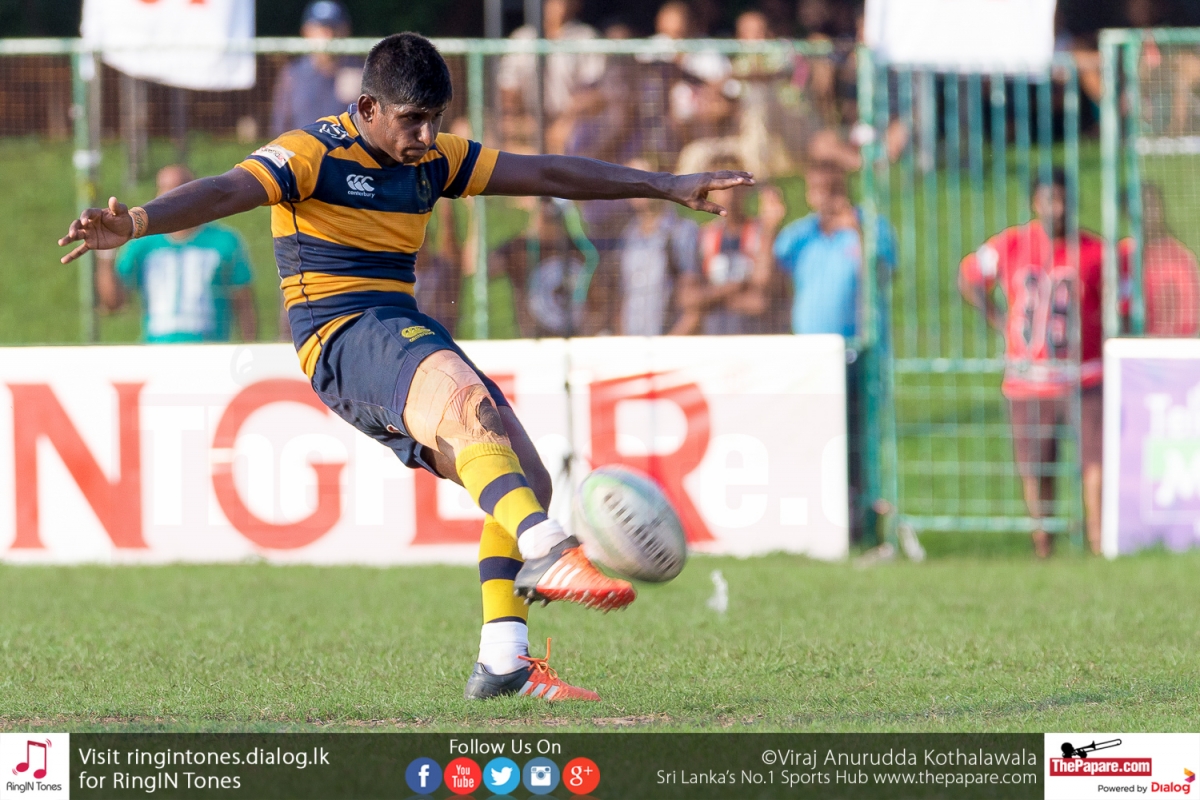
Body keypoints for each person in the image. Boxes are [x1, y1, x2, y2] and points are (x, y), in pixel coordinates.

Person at [59, 33, 752, 703]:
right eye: (412, 119)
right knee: (467, 408)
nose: (426, 135)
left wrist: (664, 184)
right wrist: (138, 222)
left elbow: (546, 172)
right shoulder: (310, 153)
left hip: (398, 324)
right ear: (367, 108)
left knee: (527, 477)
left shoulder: (435, 159)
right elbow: (221, 191)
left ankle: (504, 662)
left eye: (435, 120)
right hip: (339, 331)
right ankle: (548, 547)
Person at [958, 170, 1104, 557]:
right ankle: (1043, 544)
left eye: (1062, 199)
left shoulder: (1094, 250)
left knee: (1096, 462)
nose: (1056, 208)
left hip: (1083, 376)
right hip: (1028, 380)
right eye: (1048, 200)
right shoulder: (1011, 243)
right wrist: (997, 318)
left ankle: (1099, 542)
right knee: (1036, 468)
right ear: (1035, 203)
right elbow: (969, 274)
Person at [773, 161, 896, 541]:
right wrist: (768, 222)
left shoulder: (871, 228)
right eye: (816, 190)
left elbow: (883, 274)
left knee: (857, 440)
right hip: (811, 358)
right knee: (812, 438)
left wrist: (856, 231)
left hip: (857, 353)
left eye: (831, 189)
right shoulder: (801, 235)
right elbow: (769, 277)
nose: (823, 198)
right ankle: (815, 519)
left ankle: (861, 522)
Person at [94, 164, 257, 343]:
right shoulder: (143, 244)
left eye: (180, 188)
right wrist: (106, 254)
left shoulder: (224, 241)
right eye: (165, 188)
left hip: (210, 350)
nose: (171, 196)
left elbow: (243, 302)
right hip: (157, 351)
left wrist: (250, 349)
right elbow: (113, 303)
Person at [680, 158, 787, 335]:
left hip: (756, 338)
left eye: (733, 186)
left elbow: (759, 301)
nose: (728, 194)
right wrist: (736, 287)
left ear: (745, 188)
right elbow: (689, 299)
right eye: (720, 187)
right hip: (715, 340)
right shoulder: (703, 237)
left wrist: (710, 299)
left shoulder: (764, 232)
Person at [495, 0, 605, 154]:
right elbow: (508, 88)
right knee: (480, 132)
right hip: (529, 117)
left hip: (569, 119)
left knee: (563, 138)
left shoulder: (586, 37)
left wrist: (564, 121)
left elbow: (591, 93)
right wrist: (522, 118)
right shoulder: (523, 37)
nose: (554, 5)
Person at [614, 158, 702, 336]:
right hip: (633, 344)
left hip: (667, 342)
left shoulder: (682, 231)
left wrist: (669, 344)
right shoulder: (628, 235)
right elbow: (623, 297)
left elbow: (693, 304)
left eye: (642, 179)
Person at [270, 1, 363, 137]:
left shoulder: (361, 73)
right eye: (321, 28)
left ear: (346, 30)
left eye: (334, 27)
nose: (329, 35)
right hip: (301, 148)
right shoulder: (292, 75)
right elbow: (280, 127)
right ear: (306, 31)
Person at [1120, 184, 1200, 337]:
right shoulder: (1123, 254)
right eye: (1140, 207)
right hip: (1131, 343)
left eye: (1151, 205)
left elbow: (1188, 316)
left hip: (1168, 344)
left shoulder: (1179, 258)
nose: (1147, 213)